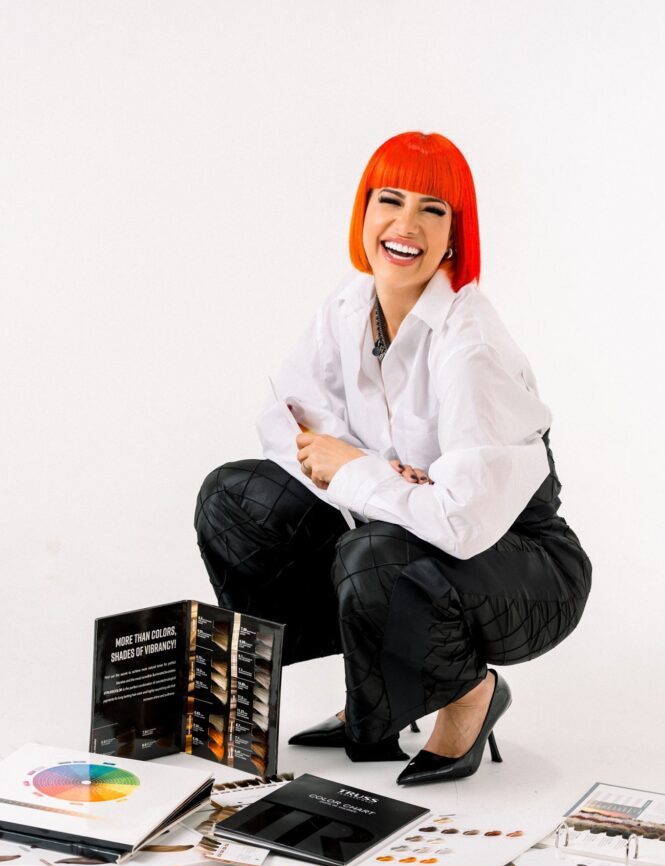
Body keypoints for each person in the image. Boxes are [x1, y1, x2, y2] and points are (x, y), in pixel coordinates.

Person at [194, 131, 592, 786]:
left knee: (374, 551)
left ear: (454, 234)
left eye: (432, 210)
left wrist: (360, 469)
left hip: (524, 566)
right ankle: (375, 693)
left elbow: (462, 522)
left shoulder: (469, 345)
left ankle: (469, 694)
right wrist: (382, 475)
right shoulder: (348, 305)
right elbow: (284, 423)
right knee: (236, 499)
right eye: (390, 200)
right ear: (365, 210)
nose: (406, 225)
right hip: (415, 532)